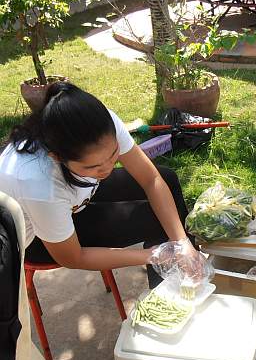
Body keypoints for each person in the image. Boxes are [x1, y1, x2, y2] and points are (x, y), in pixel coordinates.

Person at [0, 82, 199, 289]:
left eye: (114, 155)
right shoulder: (39, 185)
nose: (106, 170)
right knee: (151, 219)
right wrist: (152, 255)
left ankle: (190, 266)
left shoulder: (102, 125)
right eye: (93, 166)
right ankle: (171, 302)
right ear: (58, 157)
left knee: (167, 180)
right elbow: (73, 258)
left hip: (69, 199)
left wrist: (182, 242)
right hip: (41, 241)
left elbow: (152, 179)